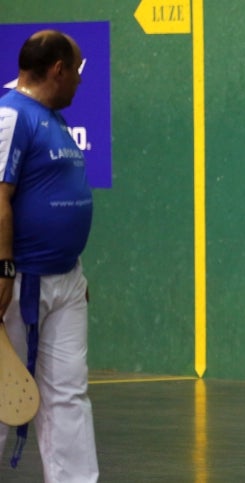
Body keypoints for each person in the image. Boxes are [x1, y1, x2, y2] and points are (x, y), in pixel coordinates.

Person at [0, 30, 99, 481]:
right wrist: (2, 269)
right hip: (17, 282)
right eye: (75, 72)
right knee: (5, 396)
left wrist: (71, 263)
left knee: (69, 396)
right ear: (57, 68)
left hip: (65, 281)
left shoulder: (52, 118)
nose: (80, 82)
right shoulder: (11, 115)